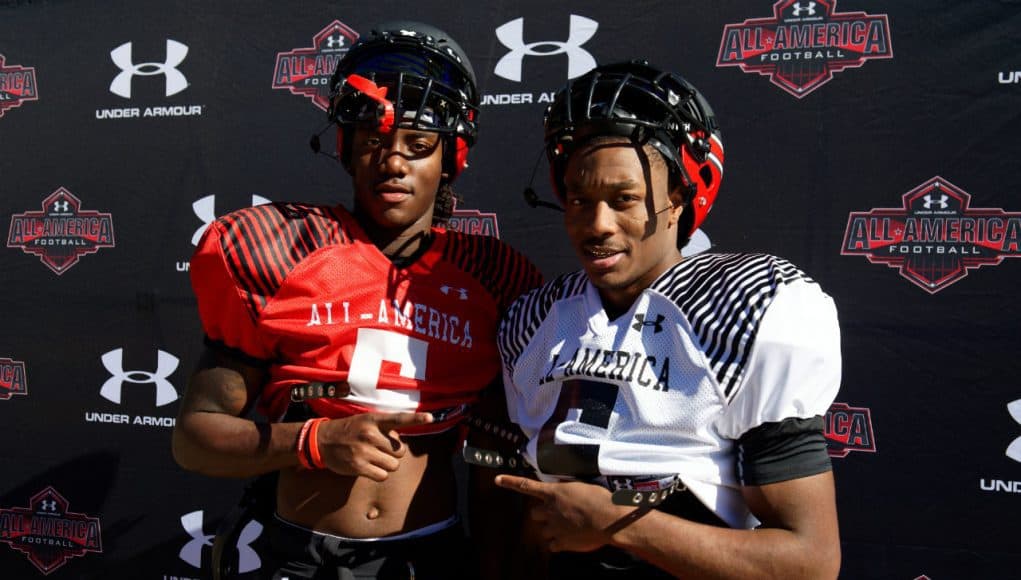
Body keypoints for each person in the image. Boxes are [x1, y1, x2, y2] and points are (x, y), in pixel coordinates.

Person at [172, 21, 542, 580]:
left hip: (431, 554)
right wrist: (313, 440)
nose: (393, 163)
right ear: (346, 149)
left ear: (451, 156)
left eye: (418, 146)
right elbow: (195, 439)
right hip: (298, 556)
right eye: (373, 142)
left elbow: (497, 463)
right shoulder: (278, 251)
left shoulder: (495, 277)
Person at [489, 61, 842, 578]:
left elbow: (810, 562)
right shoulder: (533, 323)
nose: (597, 225)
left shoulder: (747, 307)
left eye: (623, 199)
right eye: (580, 200)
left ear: (680, 195)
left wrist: (620, 525)